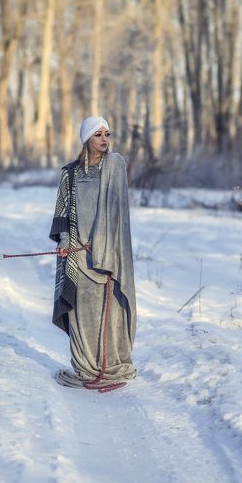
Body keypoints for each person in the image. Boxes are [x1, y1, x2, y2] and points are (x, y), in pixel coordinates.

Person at [49, 116, 137, 391]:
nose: (104, 139)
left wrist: (103, 246)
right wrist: (64, 241)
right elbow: (61, 210)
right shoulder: (71, 173)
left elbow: (118, 214)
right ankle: (86, 369)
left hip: (107, 255)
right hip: (77, 255)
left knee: (108, 315)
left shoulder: (115, 167)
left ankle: (109, 368)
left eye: (107, 134)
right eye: (98, 134)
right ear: (86, 138)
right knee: (80, 312)